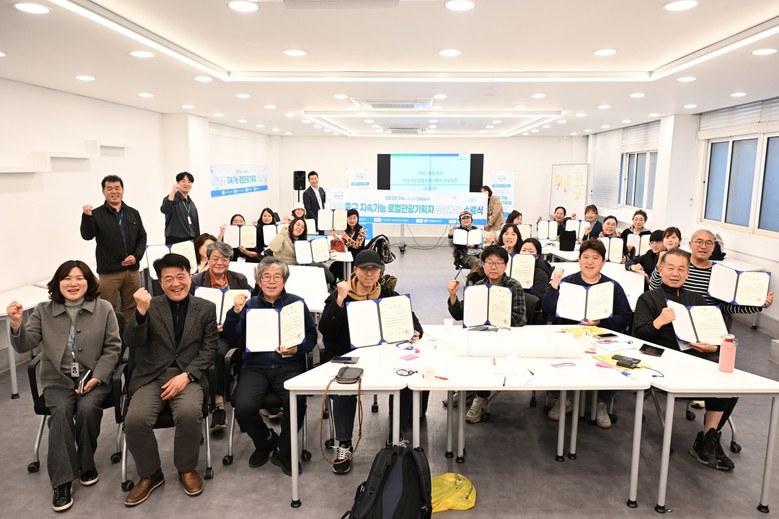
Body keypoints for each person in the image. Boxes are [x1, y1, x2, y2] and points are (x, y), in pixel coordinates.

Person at [7, 261, 121, 512]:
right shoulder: (43, 311)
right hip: (57, 381)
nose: (73, 283)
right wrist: (16, 324)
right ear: (57, 283)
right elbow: (25, 344)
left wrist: (98, 377)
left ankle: (86, 463)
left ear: (88, 282)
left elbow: (113, 348)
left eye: (79, 278)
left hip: (93, 378)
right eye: (67, 278)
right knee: (60, 414)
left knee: (88, 409)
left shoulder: (104, 308)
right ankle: (62, 482)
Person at [633, 249, 744, 470]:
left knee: (728, 376)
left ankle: (708, 438)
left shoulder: (696, 299)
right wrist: (658, 322)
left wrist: (712, 346)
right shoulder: (648, 298)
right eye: (670, 268)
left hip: (697, 358)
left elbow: (714, 335)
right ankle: (708, 442)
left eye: (681, 269)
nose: (675, 273)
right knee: (719, 374)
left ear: (688, 272)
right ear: (660, 269)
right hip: (665, 362)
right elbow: (638, 336)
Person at [122, 253, 218, 507]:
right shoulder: (150, 305)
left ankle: (186, 468)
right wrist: (140, 313)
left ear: (190, 276)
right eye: (168, 279)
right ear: (159, 281)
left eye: (180, 276)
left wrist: (187, 375)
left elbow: (209, 349)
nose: (176, 283)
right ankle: (151, 474)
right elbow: (131, 341)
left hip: (188, 375)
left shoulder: (205, 308)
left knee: (189, 413)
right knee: (135, 420)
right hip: (152, 375)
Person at [319, 250, 424, 474]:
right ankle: (344, 443)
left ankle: (395, 436)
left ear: (380, 272)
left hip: (384, 355)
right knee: (345, 387)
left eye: (374, 269)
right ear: (355, 270)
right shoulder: (341, 293)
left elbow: (412, 320)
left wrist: (415, 331)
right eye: (364, 269)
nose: (369, 274)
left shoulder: (388, 295)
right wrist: (339, 301)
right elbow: (326, 329)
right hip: (349, 356)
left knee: (405, 383)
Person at [222, 258, 317, 475]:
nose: (271, 281)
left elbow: (311, 336)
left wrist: (297, 349)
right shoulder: (249, 305)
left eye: (277, 277)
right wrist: (234, 312)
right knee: (243, 406)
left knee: (296, 401)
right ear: (259, 280)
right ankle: (265, 440)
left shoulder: (296, 304)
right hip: (255, 367)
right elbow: (231, 334)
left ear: (284, 281)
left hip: (288, 365)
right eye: (267, 276)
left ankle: (285, 450)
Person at [541, 239, 632, 429]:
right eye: (586, 257)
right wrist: (555, 284)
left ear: (603, 262)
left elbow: (625, 317)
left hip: (601, 336)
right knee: (558, 352)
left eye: (595, 258)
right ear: (579, 259)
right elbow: (548, 309)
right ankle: (565, 397)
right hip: (569, 334)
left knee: (612, 359)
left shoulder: (612, 286)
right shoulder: (568, 282)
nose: (590, 262)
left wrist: (601, 322)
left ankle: (602, 402)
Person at [447, 246, 527, 423]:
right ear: (483, 265)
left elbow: (520, 319)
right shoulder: (478, 286)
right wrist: (453, 296)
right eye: (489, 262)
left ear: (505, 266)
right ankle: (469, 390)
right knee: (465, 348)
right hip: (482, 335)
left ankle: (481, 397)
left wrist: (492, 317)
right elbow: (460, 315)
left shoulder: (513, 286)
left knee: (486, 353)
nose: (494, 267)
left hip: (505, 338)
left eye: (499, 263)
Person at [648, 229, 773, 329]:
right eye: (699, 242)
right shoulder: (679, 267)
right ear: (690, 244)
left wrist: (759, 304)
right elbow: (653, 288)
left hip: (705, 323)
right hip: (674, 319)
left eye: (708, 243)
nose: (703, 246)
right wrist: (659, 266)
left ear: (714, 247)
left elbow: (726, 306)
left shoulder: (721, 273)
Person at [190, 242, 251, 428]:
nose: (220, 262)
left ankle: (247, 393)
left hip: (236, 329)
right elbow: (191, 313)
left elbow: (250, 306)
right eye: (215, 258)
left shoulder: (239, 279)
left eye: (224, 259)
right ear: (207, 259)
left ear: (229, 260)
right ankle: (218, 403)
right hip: (211, 333)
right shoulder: (196, 282)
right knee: (217, 352)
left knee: (250, 347)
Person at [81, 174, 148, 323]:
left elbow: (142, 237)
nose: (114, 191)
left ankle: (131, 335)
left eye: (117, 188)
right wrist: (86, 217)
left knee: (132, 307)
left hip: (132, 270)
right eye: (109, 188)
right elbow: (87, 235)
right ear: (103, 191)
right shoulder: (96, 214)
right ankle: (111, 336)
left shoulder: (133, 213)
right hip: (109, 273)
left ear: (123, 190)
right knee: (107, 308)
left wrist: (136, 256)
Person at [161, 172, 200, 245]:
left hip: (190, 240)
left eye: (189, 182)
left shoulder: (191, 204)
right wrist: (173, 191)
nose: (186, 184)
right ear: (177, 183)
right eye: (183, 181)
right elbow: (165, 209)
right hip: (175, 240)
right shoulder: (171, 198)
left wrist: (198, 242)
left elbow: (196, 225)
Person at [330, 208, 366, 280]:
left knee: (339, 267)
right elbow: (343, 243)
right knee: (333, 267)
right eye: (350, 218)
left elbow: (357, 245)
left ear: (357, 219)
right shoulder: (346, 230)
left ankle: (346, 282)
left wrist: (346, 236)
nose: (352, 220)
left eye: (354, 218)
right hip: (346, 255)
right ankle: (334, 284)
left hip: (356, 257)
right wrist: (334, 235)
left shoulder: (361, 230)